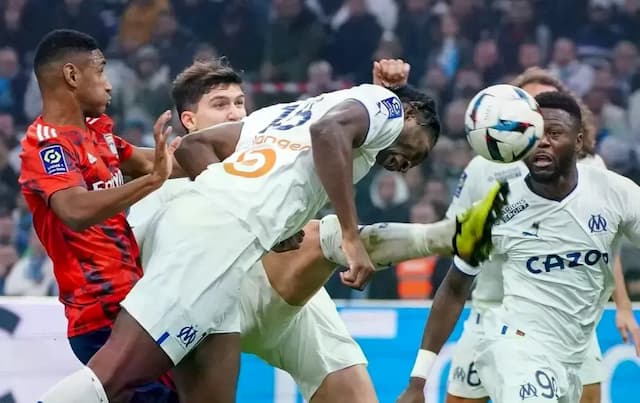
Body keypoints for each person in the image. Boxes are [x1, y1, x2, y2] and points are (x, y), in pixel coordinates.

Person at [38, 45, 507, 401]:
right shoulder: (168, 178)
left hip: (244, 263)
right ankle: (446, 234)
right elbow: (333, 129)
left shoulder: (275, 118)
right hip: (215, 246)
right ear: (188, 119)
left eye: (238, 101)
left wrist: (274, 220)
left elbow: (341, 124)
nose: (408, 165)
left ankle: (446, 234)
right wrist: (349, 233)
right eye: (220, 104)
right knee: (114, 376)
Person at [396, 91, 640, 403]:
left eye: (554, 133)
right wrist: (418, 380)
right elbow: (455, 288)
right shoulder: (493, 208)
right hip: (514, 345)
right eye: (535, 134)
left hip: (572, 357)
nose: (543, 142)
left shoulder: (615, 193)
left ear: (578, 142)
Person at [18, 29, 183, 402]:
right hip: (99, 314)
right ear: (72, 76)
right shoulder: (45, 144)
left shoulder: (98, 135)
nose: (109, 85)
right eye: (101, 71)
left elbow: (159, 162)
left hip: (135, 306)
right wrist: (152, 181)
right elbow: (74, 210)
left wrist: (247, 146)